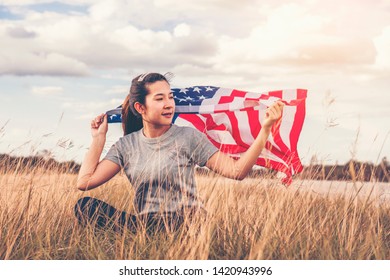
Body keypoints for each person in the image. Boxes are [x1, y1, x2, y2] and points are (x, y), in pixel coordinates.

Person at [74, 72, 284, 233]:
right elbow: (84, 182)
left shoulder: (187, 137)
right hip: (146, 225)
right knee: (85, 206)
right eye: (159, 99)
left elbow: (237, 171)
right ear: (140, 107)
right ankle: (143, 238)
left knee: (177, 224)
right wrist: (98, 139)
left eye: (170, 97)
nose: (169, 104)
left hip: (186, 222)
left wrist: (265, 130)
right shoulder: (126, 145)